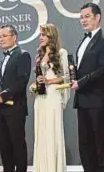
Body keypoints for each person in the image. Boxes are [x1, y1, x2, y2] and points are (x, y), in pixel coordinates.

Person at [72, 2, 104, 172]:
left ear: (98, 17)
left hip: (98, 99)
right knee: (85, 142)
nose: (83, 20)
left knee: (101, 142)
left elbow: (103, 69)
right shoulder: (83, 40)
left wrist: (80, 82)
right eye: (81, 17)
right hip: (82, 100)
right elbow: (80, 69)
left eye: (87, 16)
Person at [30, 24, 70, 172]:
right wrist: (35, 84)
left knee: (52, 132)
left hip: (53, 96)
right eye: (40, 34)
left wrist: (48, 82)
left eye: (43, 35)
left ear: (51, 36)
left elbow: (66, 78)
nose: (40, 37)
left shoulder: (61, 53)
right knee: (41, 133)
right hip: (41, 98)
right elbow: (41, 77)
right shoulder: (39, 55)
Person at [0, 25, 31, 172]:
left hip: (15, 108)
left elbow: (21, 82)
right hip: (0, 110)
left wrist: (4, 95)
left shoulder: (22, 55)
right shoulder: (4, 58)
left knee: (17, 145)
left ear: (14, 37)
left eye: (4, 36)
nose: (0, 39)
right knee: (4, 146)